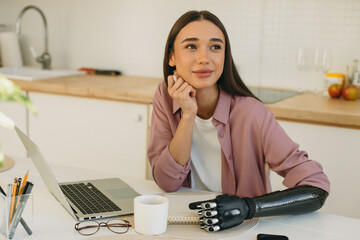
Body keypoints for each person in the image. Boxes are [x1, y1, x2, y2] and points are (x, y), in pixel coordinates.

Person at [147, 10, 330, 232]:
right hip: (184, 225)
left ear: (225, 56)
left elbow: (316, 188)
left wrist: (247, 207)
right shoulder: (165, 97)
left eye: (215, 47)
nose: (204, 58)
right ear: (171, 57)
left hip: (241, 230)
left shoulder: (252, 113)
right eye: (191, 46)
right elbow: (167, 182)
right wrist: (187, 115)